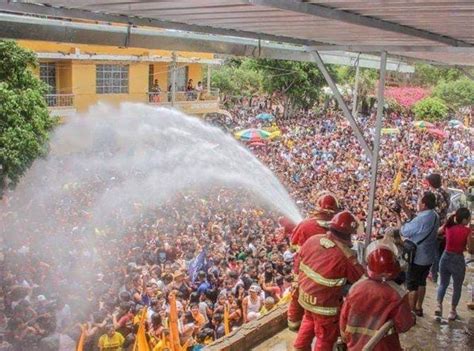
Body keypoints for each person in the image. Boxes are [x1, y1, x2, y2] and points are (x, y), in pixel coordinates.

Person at [294, 211, 364, 351]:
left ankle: (299, 348)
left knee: (308, 321)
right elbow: (361, 280)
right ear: (347, 235)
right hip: (325, 306)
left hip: (305, 298)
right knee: (325, 337)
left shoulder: (313, 239)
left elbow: (298, 261)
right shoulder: (345, 256)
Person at [340, 241, 415, 350]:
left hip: (355, 346)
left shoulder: (355, 288)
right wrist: (411, 317)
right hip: (385, 347)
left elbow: (343, 320)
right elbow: (404, 325)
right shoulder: (398, 294)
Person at [288, 193, 339, 331]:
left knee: (297, 295)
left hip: (304, 270)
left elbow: (293, 245)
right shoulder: (339, 227)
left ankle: (294, 323)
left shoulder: (305, 225)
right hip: (328, 274)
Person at [394, 191, 439, 316]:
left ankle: (410, 312)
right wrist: (404, 207)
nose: (417, 203)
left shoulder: (423, 219)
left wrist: (397, 215)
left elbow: (403, 231)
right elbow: (414, 218)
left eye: (419, 201)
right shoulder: (434, 215)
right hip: (428, 256)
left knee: (411, 284)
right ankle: (419, 308)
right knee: (421, 282)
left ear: (423, 205)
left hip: (417, 257)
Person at [436, 208, 472, 320]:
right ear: (465, 219)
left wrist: (448, 221)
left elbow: (438, 232)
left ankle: (438, 306)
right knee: (457, 287)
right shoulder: (467, 231)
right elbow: (470, 249)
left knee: (443, 283)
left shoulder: (449, 226)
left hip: (445, 257)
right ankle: (452, 311)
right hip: (458, 259)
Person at [425, 173, 450, 283]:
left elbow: (437, 211)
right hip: (443, 223)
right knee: (439, 250)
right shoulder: (445, 192)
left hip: (436, 224)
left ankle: (433, 274)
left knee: (434, 250)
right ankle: (439, 273)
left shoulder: (435, 194)